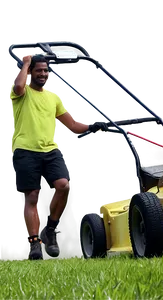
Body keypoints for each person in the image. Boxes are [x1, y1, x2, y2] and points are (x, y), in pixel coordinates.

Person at [8, 53, 106, 260]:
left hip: (51, 150)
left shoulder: (53, 96)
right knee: (32, 195)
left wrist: (92, 125)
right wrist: (25, 62)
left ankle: (50, 230)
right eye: (38, 70)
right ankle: (34, 243)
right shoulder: (20, 92)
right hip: (25, 150)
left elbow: (71, 125)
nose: (43, 74)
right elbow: (18, 86)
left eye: (45, 71)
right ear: (29, 73)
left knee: (64, 185)